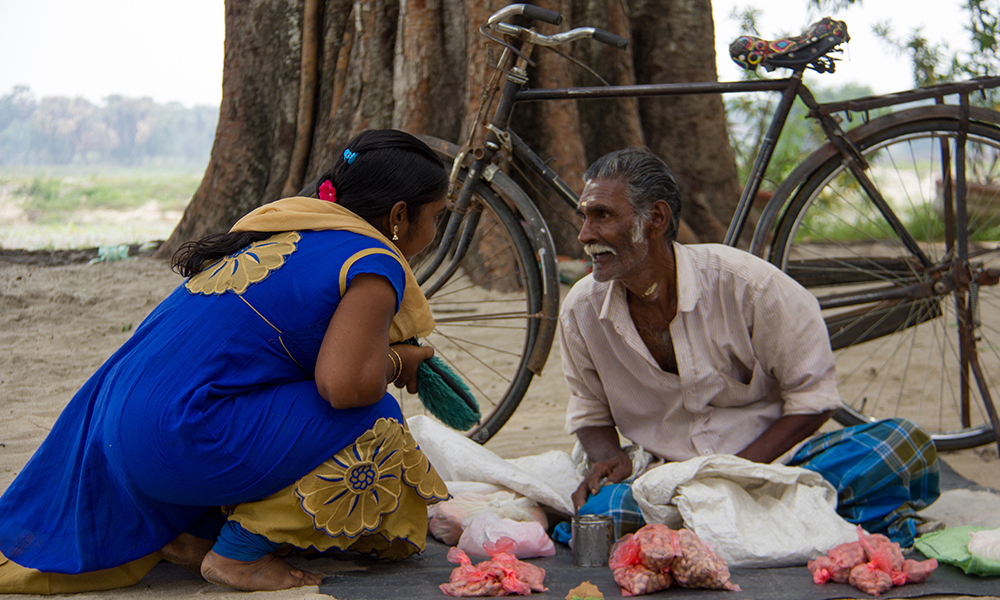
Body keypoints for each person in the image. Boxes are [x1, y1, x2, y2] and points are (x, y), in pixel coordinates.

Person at [0, 129, 453, 594]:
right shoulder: (373, 260)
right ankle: (238, 556)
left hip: (113, 437)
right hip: (172, 442)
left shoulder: (289, 230)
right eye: (437, 216)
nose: (436, 231)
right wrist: (397, 364)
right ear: (399, 215)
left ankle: (192, 533)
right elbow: (346, 387)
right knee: (374, 418)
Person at [559, 146, 940, 547]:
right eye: (583, 217)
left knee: (901, 447)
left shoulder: (747, 284)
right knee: (601, 513)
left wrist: (736, 475)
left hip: (770, 465)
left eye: (602, 215)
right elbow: (588, 407)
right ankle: (780, 524)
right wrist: (606, 455)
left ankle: (714, 528)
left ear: (656, 218)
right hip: (665, 479)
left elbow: (813, 398)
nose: (585, 235)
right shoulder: (581, 310)